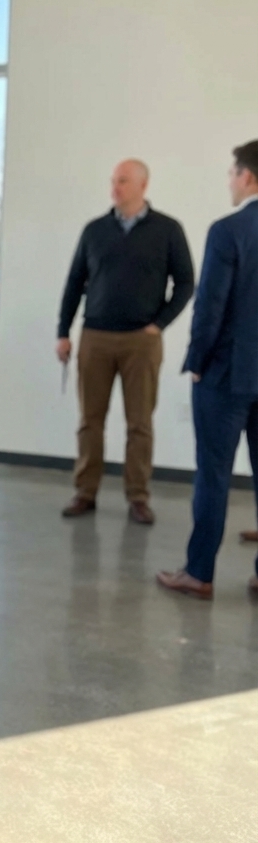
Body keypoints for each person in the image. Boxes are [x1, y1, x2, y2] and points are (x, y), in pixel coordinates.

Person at [56, 159, 194, 523]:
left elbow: (186, 283)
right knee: (90, 420)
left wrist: (159, 323)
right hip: (95, 337)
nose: (115, 187)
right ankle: (85, 492)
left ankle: (138, 497)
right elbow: (73, 285)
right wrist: (62, 332)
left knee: (140, 423)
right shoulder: (94, 230)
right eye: (113, 180)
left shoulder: (167, 230)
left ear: (142, 185)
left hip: (141, 341)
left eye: (123, 181)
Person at [157, 141, 258, 600]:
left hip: (226, 374)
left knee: (213, 474)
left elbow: (210, 308)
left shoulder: (228, 230)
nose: (230, 179)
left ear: (249, 177)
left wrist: (196, 363)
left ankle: (199, 573)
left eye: (233, 172)